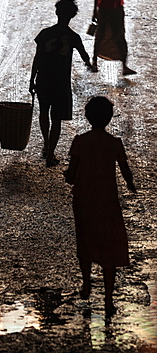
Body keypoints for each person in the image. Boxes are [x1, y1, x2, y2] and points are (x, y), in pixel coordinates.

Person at [64, 96, 136, 316]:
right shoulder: (114, 144)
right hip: (108, 201)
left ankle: (86, 284)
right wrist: (131, 186)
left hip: (84, 200)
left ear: (87, 116)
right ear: (109, 118)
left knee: (85, 241)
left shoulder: (80, 142)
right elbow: (126, 172)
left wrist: (67, 176)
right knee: (109, 247)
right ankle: (108, 298)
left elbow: (72, 174)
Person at [29, 0, 92, 167]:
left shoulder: (44, 34)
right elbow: (84, 56)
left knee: (43, 111)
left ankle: (45, 143)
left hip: (43, 78)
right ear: (72, 16)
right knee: (56, 119)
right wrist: (90, 64)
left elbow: (37, 58)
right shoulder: (73, 37)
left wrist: (31, 79)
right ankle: (50, 154)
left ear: (56, 12)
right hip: (60, 82)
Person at [91, 0, 136, 75]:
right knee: (119, 36)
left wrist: (95, 10)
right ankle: (124, 66)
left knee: (101, 35)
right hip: (115, 7)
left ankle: (94, 62)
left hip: (105, 7)